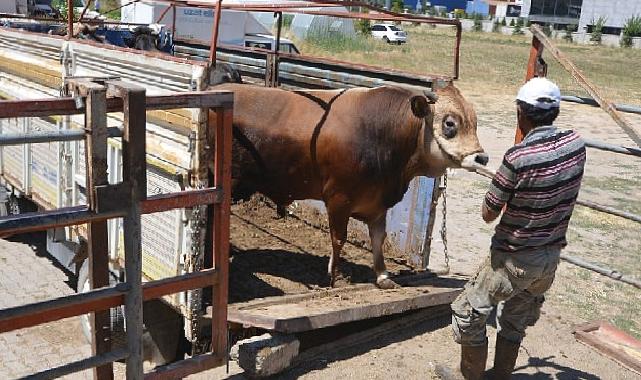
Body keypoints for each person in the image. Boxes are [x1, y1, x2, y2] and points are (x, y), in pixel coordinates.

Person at [435, 77, 587, 380]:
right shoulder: (576, 144)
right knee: (515, 319)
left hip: (513, 261)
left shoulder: (517, 159)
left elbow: (488, 213)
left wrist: (502, 182)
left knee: (468, 313)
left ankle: (470, 377)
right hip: (549, 258)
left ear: (521, 113)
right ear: (555, 111)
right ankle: (501, 376)